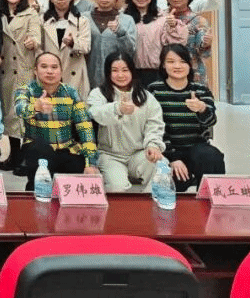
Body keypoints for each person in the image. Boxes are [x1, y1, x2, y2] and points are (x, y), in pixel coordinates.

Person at [14, 51, 100, 190]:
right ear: (35, 70)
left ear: (61, 70)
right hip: (38, 150)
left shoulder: (70, 92)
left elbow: (85, 127)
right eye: (44, 66)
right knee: (40, 153)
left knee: (76, 181)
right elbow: (20, 110)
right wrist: (35, 107)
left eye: (54, 67)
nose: (49, 71)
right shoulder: (25, 91)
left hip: (67, 148)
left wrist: (91, 162)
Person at [148, 44, 226, 192]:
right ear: (163, 65)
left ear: (189, 65)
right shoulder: (154, 90)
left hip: (196, 148)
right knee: (173, 183)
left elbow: (211, 121)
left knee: (211, 157)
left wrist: (202, 109)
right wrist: (173, 157)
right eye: (171, 61)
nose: (177, 66)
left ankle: (211, 197)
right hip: (166, 150)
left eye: (182, 61)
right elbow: (153, 127)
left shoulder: (201, 90)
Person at [87, 50, 165, 193]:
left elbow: (155, 125)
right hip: (110, 156)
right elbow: (95, 114)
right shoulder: (98, 94)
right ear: (108, 73)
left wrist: (153, 145)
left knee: (162, 166)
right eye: (115, 70)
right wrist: (117, 109)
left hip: (139, 153)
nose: (120, 75)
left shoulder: (146, 97)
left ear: (132, 71)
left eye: (125, 70)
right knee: (117, 188)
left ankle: (149, 203)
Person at [0, 0, 42, 164]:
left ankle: (25, 156)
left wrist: (33, 41)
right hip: (4, 69)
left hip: (23, 69)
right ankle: (14, 155)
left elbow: (36, 36)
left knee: (23, 113)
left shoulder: (30, 13)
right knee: (8, 113)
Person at [126, 0, 188, 87]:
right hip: (128, 72)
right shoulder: (123, 18)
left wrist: (173, 26)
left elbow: (177, 45)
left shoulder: (163, 18)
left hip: (157, 72)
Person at [40, 0, 92, 101]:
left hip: (74, 73)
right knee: (51, 108)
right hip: (50, 72)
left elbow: (86, 47)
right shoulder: (43, 20)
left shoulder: (81, 21)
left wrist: (73, 43)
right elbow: (39, 49)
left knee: (74, 108)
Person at [86, 0, 137, 89]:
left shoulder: (127, 20)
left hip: (117, 77)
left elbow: (131, 50)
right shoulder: (83, 18)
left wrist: (120, 32)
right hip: (88, 75)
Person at [164, 0, 213, 84]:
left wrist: (206, 44)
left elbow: (204, 55)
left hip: (193, 75)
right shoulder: (159, 18)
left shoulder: (199, 21)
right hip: (165, 74)